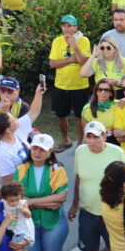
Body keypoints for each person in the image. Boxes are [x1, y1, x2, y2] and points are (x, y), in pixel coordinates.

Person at [70, 121, 125, 251]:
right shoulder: (80, 151)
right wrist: (74, 203)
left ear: (104, 136)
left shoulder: (116, 152)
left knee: (113, 249)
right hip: (88, 210)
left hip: (112, 210)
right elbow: (79, 178)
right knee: (90, 249)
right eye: (89, 136)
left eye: (96, 136)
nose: (92, 141)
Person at [48, 14, 91, 153]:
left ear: (76, 28)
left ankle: (80, 141)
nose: (66, 28)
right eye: (64, 25)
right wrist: (72, 60)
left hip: (80, 86)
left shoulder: (84, 41)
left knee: (80, 116)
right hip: (61, 85)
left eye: (70, 26)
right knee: (61, 115)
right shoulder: (57, 41)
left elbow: (85, 62)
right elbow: (52, 63)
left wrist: (75, 47)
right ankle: (65, 139)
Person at [0, 86, 44, 184]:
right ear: (8, 130)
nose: (16, 120)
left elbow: (33, 112)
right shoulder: (1, 152)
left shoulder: (17, 131)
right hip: (17, 190)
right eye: (13, 120)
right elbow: (9, 179)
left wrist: (38, 94)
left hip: (32, 180)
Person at [0, 182, 33, 251]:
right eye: (12, 201)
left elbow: (29, 215)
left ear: (20, 196)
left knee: (15, 245)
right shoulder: (4, 203)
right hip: (12, 228)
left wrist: (25, 211)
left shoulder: (22, 203)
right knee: (19, 247)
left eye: (17, 199)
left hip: (21, 229)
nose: (15, 203)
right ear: (5, 199)